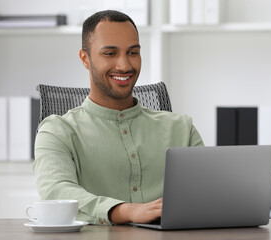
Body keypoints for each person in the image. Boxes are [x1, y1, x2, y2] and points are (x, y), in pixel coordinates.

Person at [33, 10, 204, 226]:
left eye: (133, 52)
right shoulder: (56, 131)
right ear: (85, 59)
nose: (124, 65)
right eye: (110, 53)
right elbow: (56, 191)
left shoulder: (181, 128)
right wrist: (125, 211)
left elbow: (207, 193)